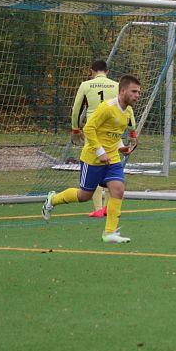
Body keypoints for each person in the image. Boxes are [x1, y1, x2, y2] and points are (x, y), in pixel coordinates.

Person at [42, 75, 141, 243]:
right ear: (122, 91)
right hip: (92, 159)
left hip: (113, 159)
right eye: (134, 91)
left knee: (118, 190)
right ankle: (53, 199)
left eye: (138, 92)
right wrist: (100, 152)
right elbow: (88, 128)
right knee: (84, 196)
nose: (137, 95)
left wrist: (121, 147)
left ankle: (109, 233)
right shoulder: (107, 108)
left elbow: (114, 134)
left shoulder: (129, 111)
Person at [70, 59, 119, 218]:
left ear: (91, 71)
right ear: (107, 72)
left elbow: (76, 109)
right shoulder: (116, 85)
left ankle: (98, 208)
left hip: (93, 131)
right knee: (111, 167)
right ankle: (108, 208)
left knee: (93, 165)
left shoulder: (86, 85)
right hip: (111, 131)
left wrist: (75, 128)